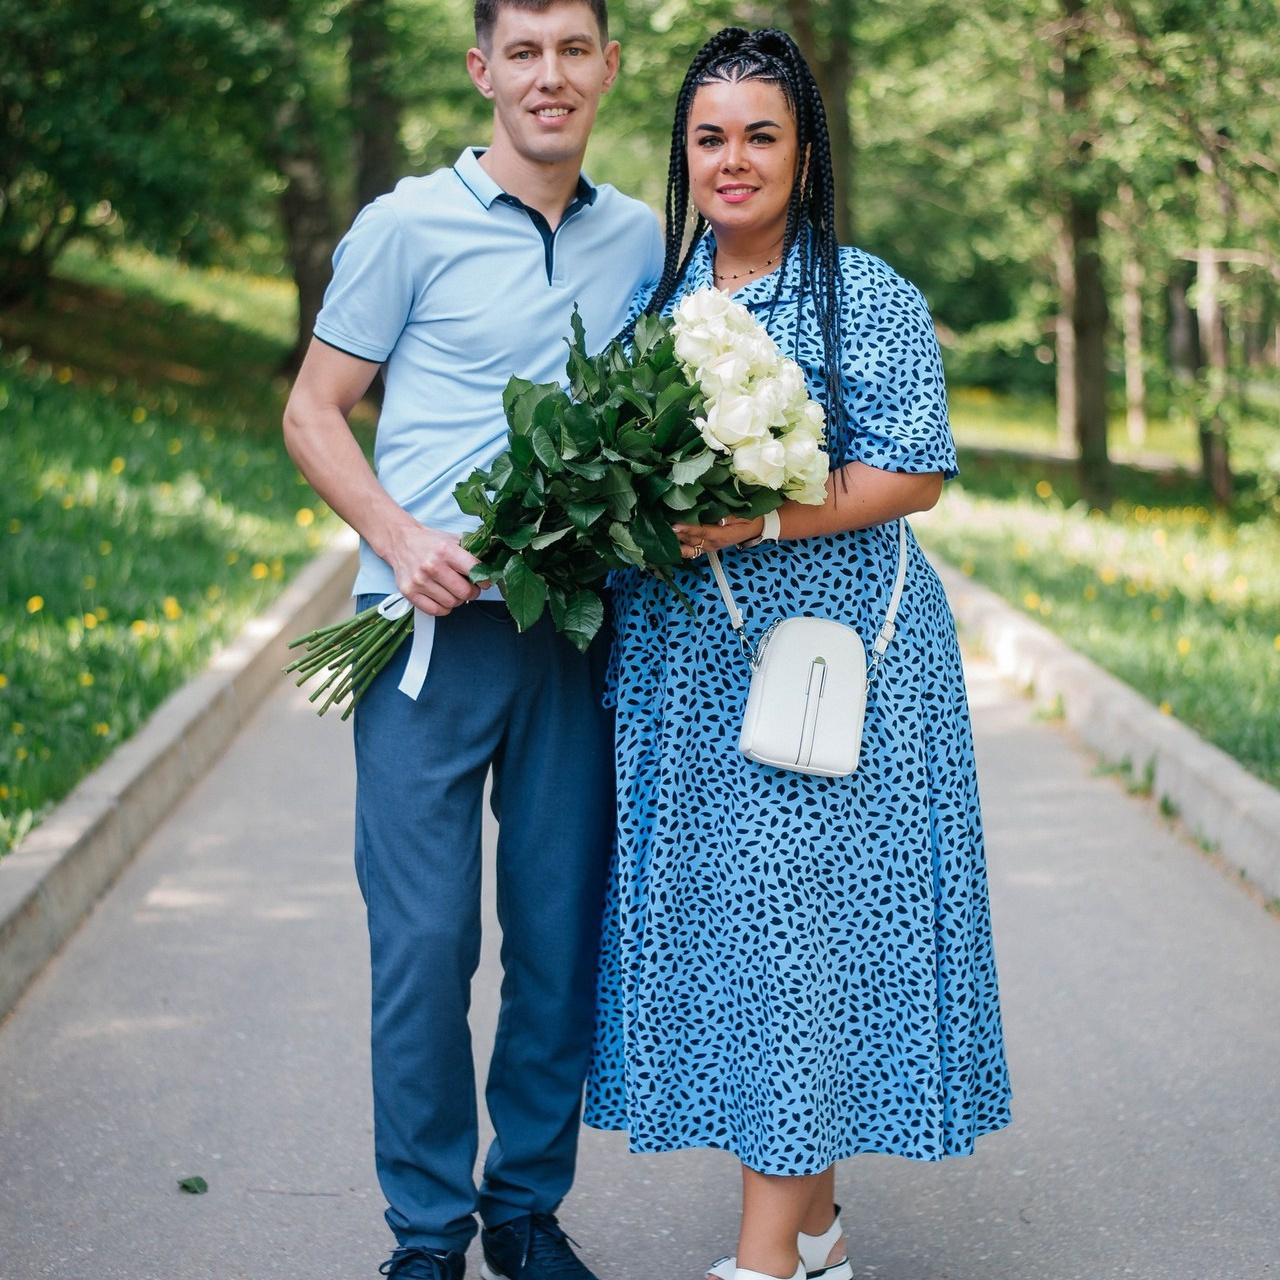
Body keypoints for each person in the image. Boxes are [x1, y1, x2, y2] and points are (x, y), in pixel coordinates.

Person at [582, 26, 1012, 1280]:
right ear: (683, 151)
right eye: (708, 137)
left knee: (795, 932)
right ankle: (812, 1227)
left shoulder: (860, 290)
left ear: (804, 154)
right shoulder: (657, 304)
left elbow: (917, 468)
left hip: (834, 664)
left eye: (759, 135)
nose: (732, 159)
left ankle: (763, 1258)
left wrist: (761, 512)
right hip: (690, 668)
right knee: (767, 937)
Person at [281, 2, 662, 1277]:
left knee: (556, 943)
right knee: (426, 949)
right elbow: (313, 411)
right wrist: (396, 537)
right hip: (423, 644)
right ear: (482, 69)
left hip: (572, 637)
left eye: (572, 51)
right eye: (524, 52)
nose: (548, 77)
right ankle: (427, 1233)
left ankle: (524, 1211)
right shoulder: (405, 226)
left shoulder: (641, 240)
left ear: (608, 67)